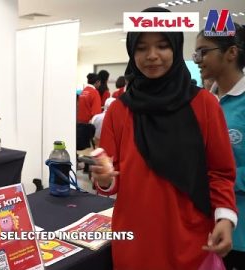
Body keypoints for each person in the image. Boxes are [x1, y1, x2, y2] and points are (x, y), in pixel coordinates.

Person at [91, 7, 237, 269]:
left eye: (162, 45)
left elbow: (221, 171)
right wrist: (102, 178)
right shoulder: (119, 110)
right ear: (131, 51)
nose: (152, 56)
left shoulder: (204, 104)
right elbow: (110, 175)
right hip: (135, 237)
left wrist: (224, 217)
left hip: (191, 236)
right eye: (141, 48)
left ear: (176, 47)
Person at [194, 23, 245, 270]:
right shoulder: (204, 101)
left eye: (203, 52)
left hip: (240, 233)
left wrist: (215, 178)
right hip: (204, 226)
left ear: (231, 53)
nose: (197, 59)